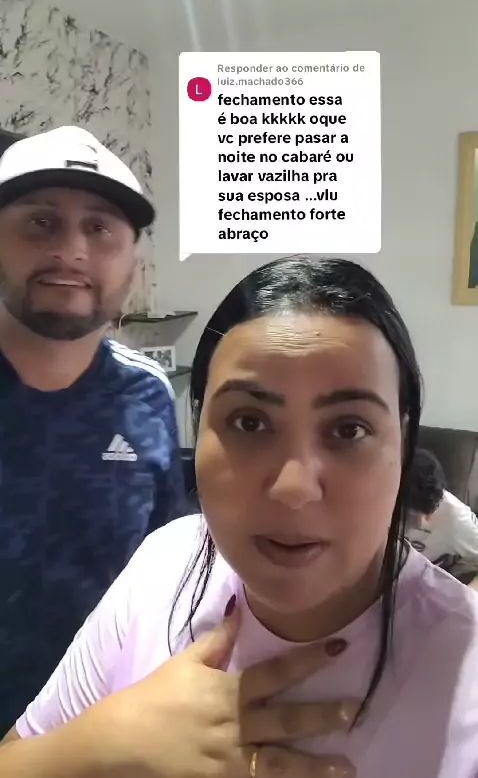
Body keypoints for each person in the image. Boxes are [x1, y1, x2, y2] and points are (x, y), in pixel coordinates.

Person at [2, 255, 478, 778]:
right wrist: (101, 743)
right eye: (249, 422)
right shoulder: (163, 566)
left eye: (349, 430)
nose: (294, 488)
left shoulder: (466, 667)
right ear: (197, 427)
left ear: (404, 443)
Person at [0, 125, 186, 735]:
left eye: (100, 228)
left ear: (133, 263)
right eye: (41, 223)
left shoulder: (149, 397)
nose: (71, 251)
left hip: (107, 735)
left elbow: (165, 572)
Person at [406, 447, 478, 586]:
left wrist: (467, 595)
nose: (421, 524)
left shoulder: (455, 518)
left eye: (431, 511)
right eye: (409, 515)